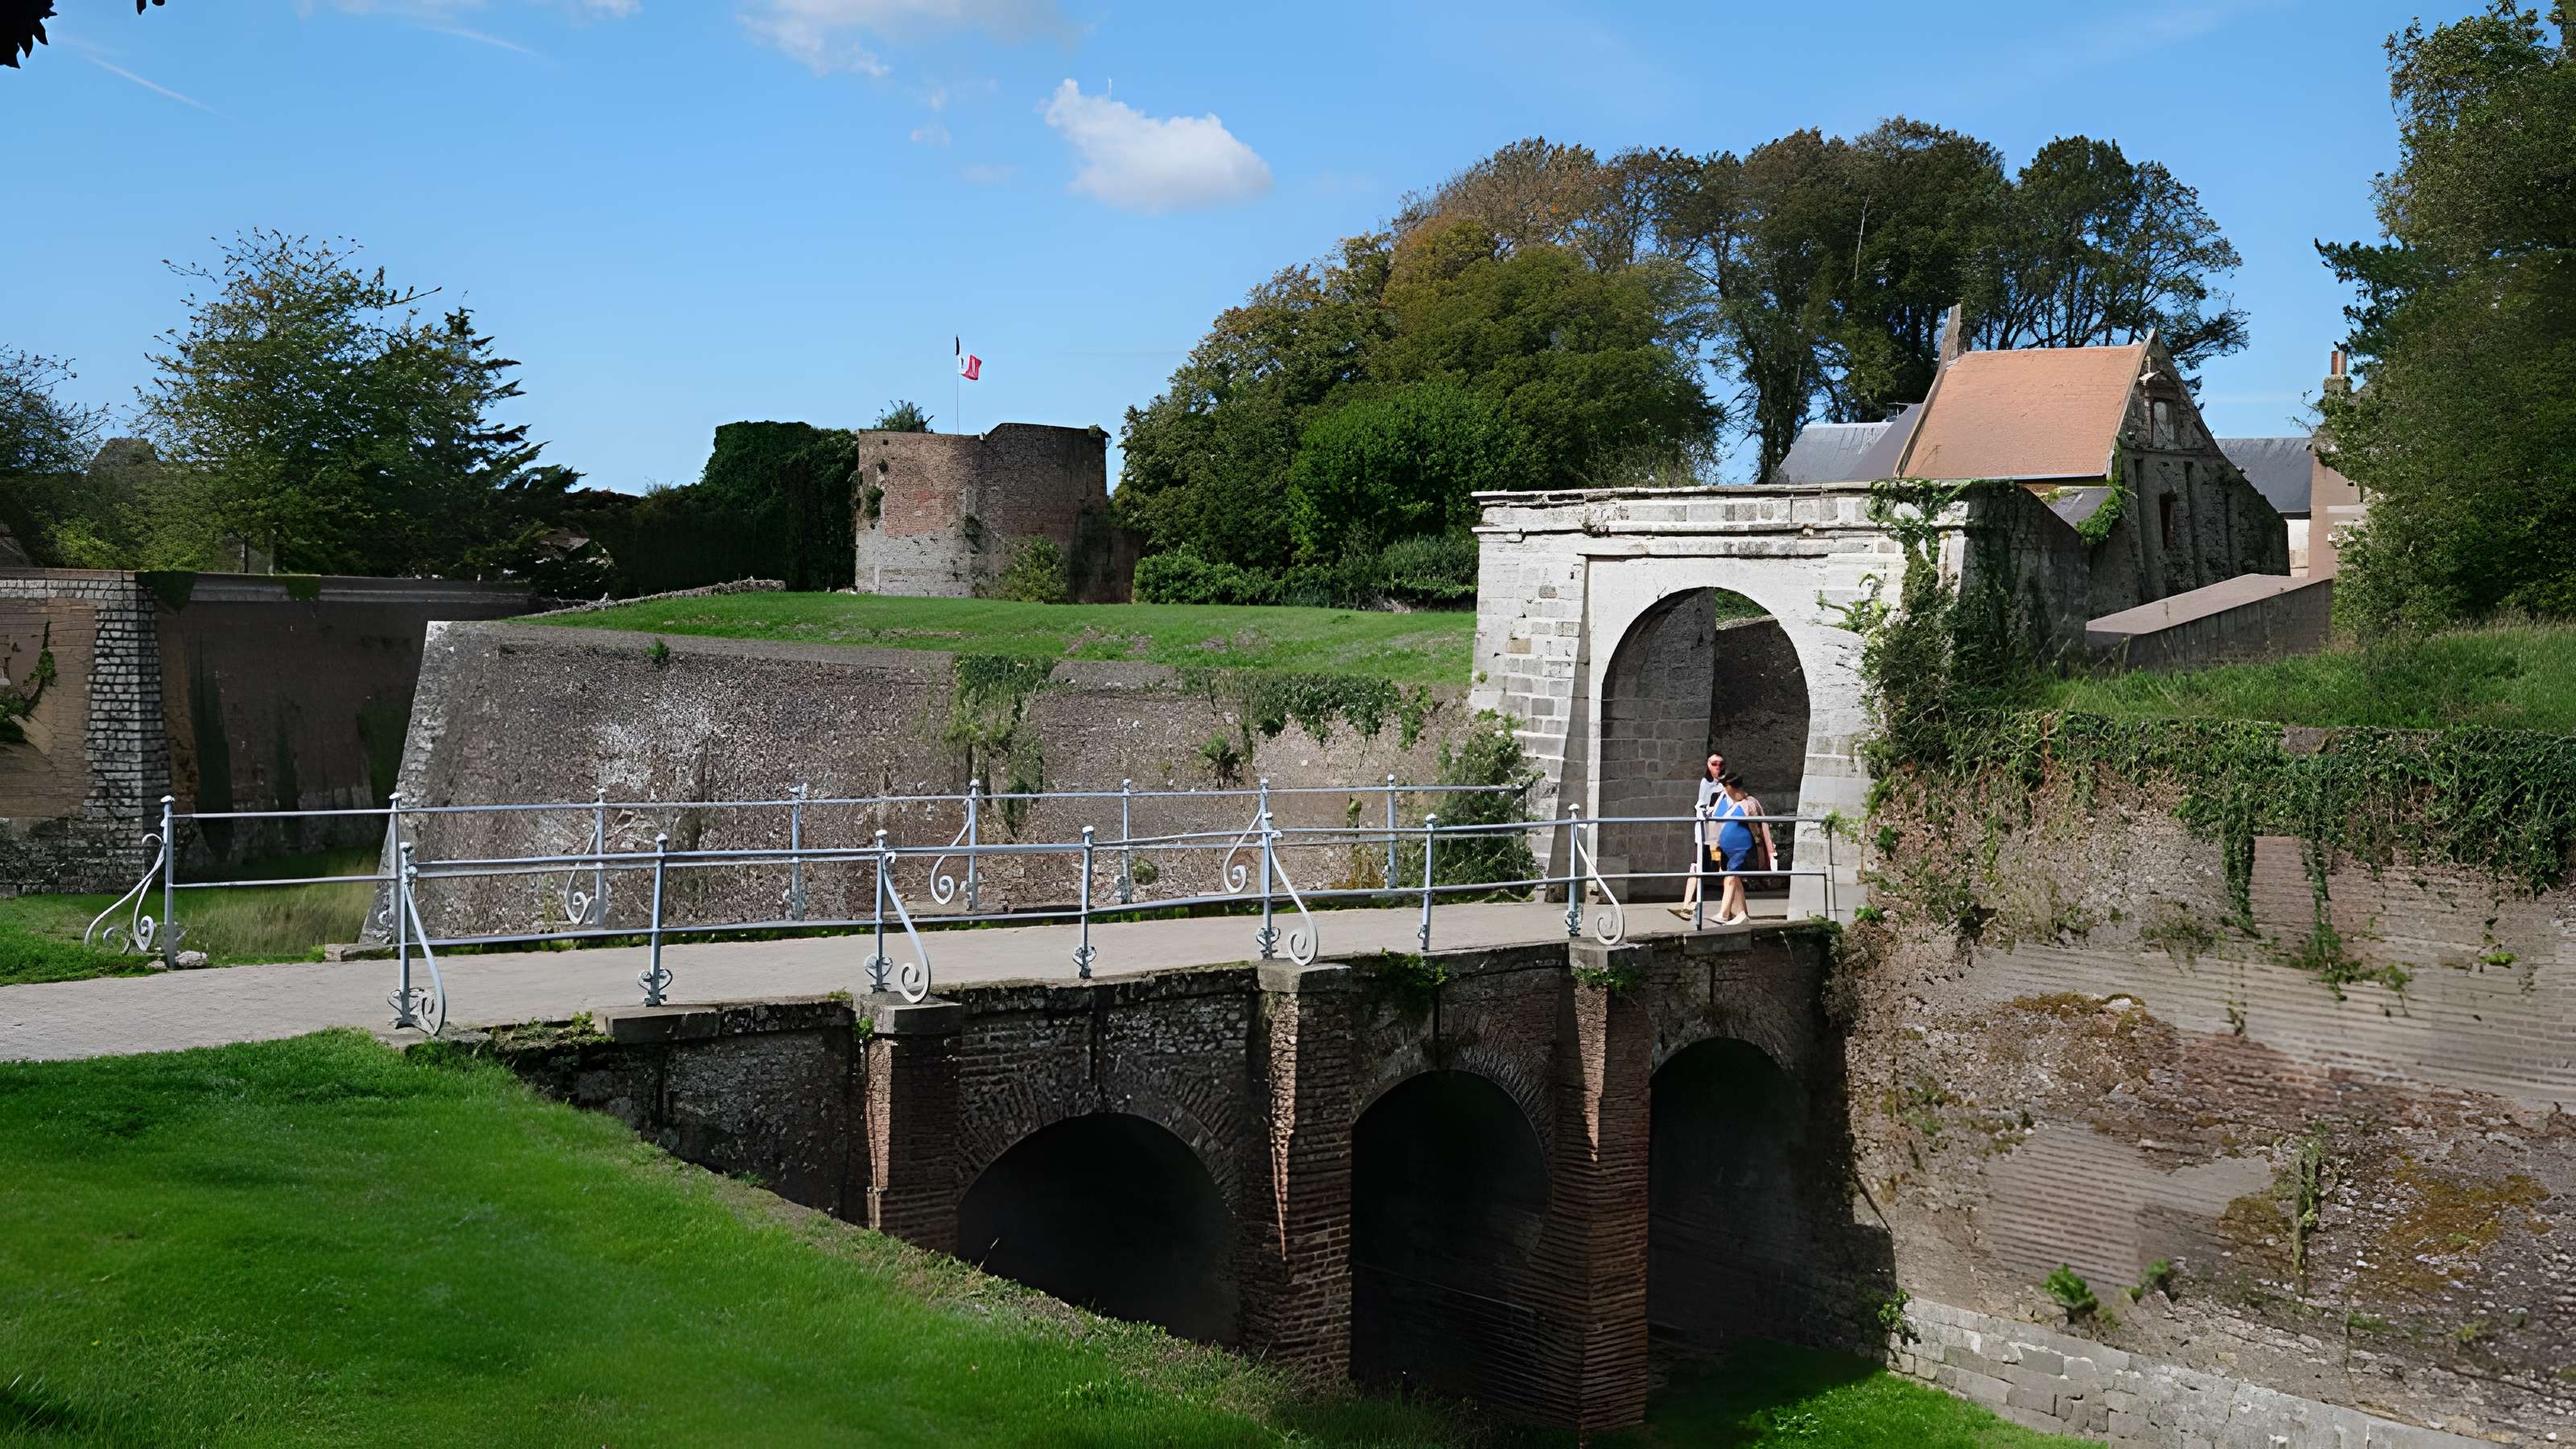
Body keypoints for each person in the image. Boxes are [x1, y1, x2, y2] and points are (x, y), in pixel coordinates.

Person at [1711, 772, 1775, 927]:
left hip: (1741, 847)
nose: (1725, 791)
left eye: (1726, 787)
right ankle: (1743, 914)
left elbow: (1760, 826)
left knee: (1731, 877)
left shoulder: (1749, 803)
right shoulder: (1730, 802)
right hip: (1730, 849)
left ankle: (1724, 914)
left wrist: (1768, 850)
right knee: (1734, 879)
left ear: (1730, 787)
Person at [1672, 753, 1724, 918]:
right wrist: (1710, 810)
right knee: (1696, 866)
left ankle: (1732, 909)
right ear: (1708, 764)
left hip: (1718, 833)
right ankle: (1686, 904)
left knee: (1724, 868)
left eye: (1720, 764)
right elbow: (1701, 807)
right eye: (1714, 763)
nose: (1717, 767)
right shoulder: (1706, 783)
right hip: (1704, 833)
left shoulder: (1724, 784)